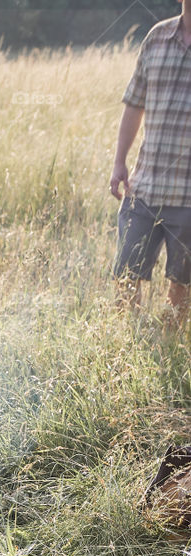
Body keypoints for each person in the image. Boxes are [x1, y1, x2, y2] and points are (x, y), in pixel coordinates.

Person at [110, 0, 191, 326]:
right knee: (125, 273)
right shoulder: (157, 37)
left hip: (188, 197)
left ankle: (168, 349)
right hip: (144, 187)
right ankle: (129, 346)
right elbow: (134, 105)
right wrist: (119, 162)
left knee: (182, 282)